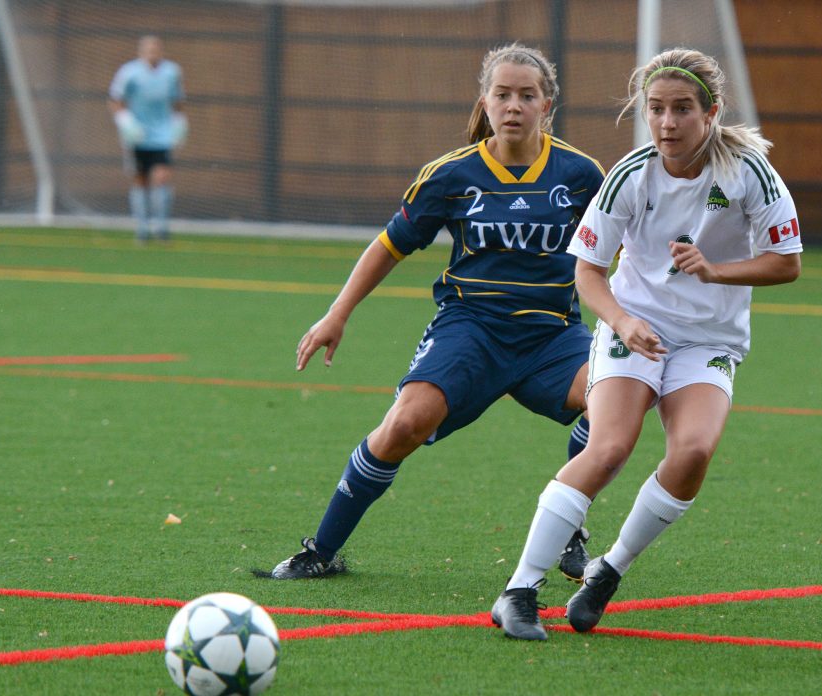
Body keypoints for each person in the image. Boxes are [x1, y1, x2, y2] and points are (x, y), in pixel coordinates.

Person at [256, 44, 605, 581]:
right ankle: (321, 551)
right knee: (404, 425)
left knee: (609, 401)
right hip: (471, 329)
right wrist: (337, 313)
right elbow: (389, 246)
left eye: (526, 95)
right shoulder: (450, 175)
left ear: (548, 104)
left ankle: (568, 531)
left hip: (552, 336)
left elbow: (619, 250)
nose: (514, 106)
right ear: (485, 103)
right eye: (502, 94)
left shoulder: (582, 174)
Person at [490, 47, 803, 640]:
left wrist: (715, 272)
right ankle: (519, 590)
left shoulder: (750, 174)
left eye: (681, 109)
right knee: (609, 449)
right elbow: (587, 271)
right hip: (634, 327)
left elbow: (787, 264)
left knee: (692, 455)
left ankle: (608, 570)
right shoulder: (631, 175)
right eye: (655, 109)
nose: (666, 123)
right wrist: (622, 320)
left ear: (711, 112)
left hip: (706, 339)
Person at [108, 35, 187, 243]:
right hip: (137, 134)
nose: (153, 53)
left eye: (156, 49)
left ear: (162, 51)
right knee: (140, 179)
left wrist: (179, 122)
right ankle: (142, 228)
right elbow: (116, 100)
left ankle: (161, 226)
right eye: (148, 49)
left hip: (162, 134)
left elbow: (177, 101)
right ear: (141, 52)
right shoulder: (129, 72)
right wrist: (126, 122)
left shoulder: (172, 72)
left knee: (162, 178)